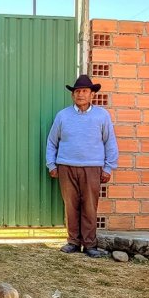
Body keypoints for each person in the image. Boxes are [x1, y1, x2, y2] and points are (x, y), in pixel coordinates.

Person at [46, 74, 119, 258]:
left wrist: (108, 167)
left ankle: (89, 245)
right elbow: (52, 142)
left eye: (85, 91)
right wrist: (51, 164)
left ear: (92, 94)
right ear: (73, 95)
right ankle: (73, 242)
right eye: (77, 91)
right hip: (66, 167)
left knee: (89, 207)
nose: (80, 95)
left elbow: (110, 142)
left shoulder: (102, 115)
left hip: (93, 168)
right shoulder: (63, 116)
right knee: (71, 206)